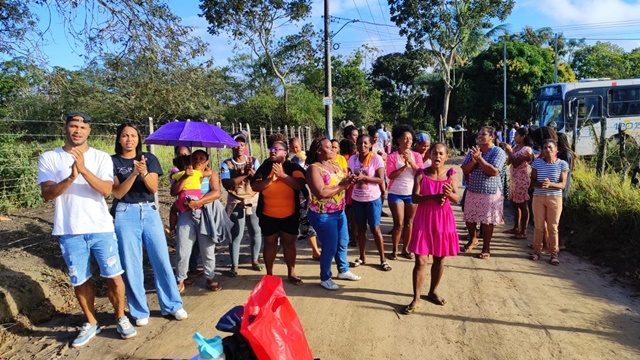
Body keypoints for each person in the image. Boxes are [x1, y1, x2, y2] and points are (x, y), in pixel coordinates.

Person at [37, 111, 136, 347]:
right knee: (79, 279)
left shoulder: (101, 157)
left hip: (101, 227)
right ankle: (91, 322)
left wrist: (83, 169)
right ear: (65, 128)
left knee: (114, 276)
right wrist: (70, 177)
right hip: (69, 229)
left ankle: (121, 317)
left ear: (89, 130)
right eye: (73, 126)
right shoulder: (49, 157)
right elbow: (47, 195)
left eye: (82, 127)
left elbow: (105, 190)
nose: (77, 131)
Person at [111, 123, 187, 327]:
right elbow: (118, 193)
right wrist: (134, 174)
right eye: (125, 135)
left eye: (133, 135)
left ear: (139, 138)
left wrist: (144, 172)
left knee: (161, 258)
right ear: (119, 139)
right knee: (131, 263)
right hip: (125, 212)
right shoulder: (113, 161)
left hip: (149, 211)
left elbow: (153, 187)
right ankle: (139, 310)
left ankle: (172, 305)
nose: (129, 139)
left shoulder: (148, 158)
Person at [403, 143, 460, 314]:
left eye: (441, 153)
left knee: (439, 259)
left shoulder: (451, 174)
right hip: (424, 219)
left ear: (447, 156)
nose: (438, 156)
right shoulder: (421, 174)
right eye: (434, 153)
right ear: (430, 155)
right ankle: (416, 297)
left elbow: (457, 198)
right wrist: (433, 197)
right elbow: (414, 197)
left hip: (443, 220)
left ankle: (433, 291)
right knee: (420, 260)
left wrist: (449, 194)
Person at [306, 137, 360, 290]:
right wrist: (343, 186)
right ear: (318, 151)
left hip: (339, 211)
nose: (332, 150)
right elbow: (321, 192)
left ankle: (343, 270)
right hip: (323, 214)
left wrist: (349, 180)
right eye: (329, 147)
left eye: (333, 147)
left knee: (343, 242)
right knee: (330, 246)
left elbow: (341, 183)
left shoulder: (334, 164)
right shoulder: (313, 169)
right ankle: (325, 277)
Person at [251, 136, 306, 285]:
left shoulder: (292, 167)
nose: (273, 152)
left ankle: (291, 272)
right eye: (271, 149)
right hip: (268, 215)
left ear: (285, 152)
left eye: (277, 149)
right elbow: (255, 187)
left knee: (289, 243)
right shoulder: (265, 167)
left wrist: (283, 176)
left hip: (289, 214)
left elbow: (300, 184)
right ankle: (269, 275)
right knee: (270, 243)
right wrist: (271, 180)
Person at [172, 150, 224, 292]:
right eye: (195, 158)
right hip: (185, 213)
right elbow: (174, 192)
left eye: (202, 158)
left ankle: (210, 277)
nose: (198, 161)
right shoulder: (184, 173)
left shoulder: (211, 174)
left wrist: (199, 201)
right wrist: (184, 178)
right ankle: (180, 279)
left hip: (205, 213)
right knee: (183, 248)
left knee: (208, 248)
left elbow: (217, 192)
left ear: (207, 161)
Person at [460, 126, 507, 259]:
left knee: (487, 221)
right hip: (473, 189)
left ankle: (486, 248)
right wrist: (474, 160)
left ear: (491, 137)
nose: (480, 137)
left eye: (483, 134)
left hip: (490, 191)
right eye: (479, 134)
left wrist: (479, 159)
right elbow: (465, 169)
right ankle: (473, 239)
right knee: (469, 218)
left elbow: (494, 171)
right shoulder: (474, 151)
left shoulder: (498, 152)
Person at [220, 133, 263, 276]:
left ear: (245, 146)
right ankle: (234, 264)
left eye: (242, 144)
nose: (239, 147)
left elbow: (260, 179)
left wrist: (253, 174)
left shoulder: (253, 160)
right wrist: (245, 175)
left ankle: (255, 260)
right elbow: (227, 183)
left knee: (255, 231)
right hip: (236, 201)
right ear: (232, 147)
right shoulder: (226, 164)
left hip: (253, 200)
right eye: (236, 144)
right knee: (236, 234)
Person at [348, 134, 390, 271]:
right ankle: (362, 257)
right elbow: (349, 175)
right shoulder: (353, 159)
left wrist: (364, 178)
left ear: (371, 144)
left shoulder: (376, 159)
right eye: (360, 143)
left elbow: (380, 179)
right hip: (357, 198)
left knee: (375, 228)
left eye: (365, 143)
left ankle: (383, 259)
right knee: (360, 228)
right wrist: (351, 178)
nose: (362, 146)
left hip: (372, 199)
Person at [387, 124, 424, 260]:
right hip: (395, 193)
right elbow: (390, 175)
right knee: (398, 223)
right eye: (404, 138)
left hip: (412, 193)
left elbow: (420, 173)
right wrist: (404, 166)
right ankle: (394, 249)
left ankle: (406, 249)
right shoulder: (392, 156)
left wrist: (411, 162)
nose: (408, 141)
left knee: (409, 222)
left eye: (410, 139)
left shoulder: (417, 156)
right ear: (398, 140)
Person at [529, 139, 568, 265]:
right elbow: (532, 182)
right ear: (542, 150)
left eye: (550, 147)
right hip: (538, 197)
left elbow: (562, 184)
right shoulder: (537, 163)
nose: (548, 150)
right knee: (539, 226)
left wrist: (550, 184)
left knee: (553, 227)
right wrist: (541, 184)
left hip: (555, 198)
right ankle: (536, 251)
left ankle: (554, 254)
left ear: (556, 149)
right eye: (545, 147)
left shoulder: (562, 164)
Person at [501, 128, 534, 239]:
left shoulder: (526, 149)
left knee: (522, 204)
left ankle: (523, 231)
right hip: (515, 179)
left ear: (523, 136)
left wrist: (510, 152)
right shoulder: (516, 147)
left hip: (522, 179)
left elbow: (515, 163)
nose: (514, 138)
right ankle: (516, 227)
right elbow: (509, 162)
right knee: (515, 204)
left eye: (516, 135)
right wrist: (508, 151)